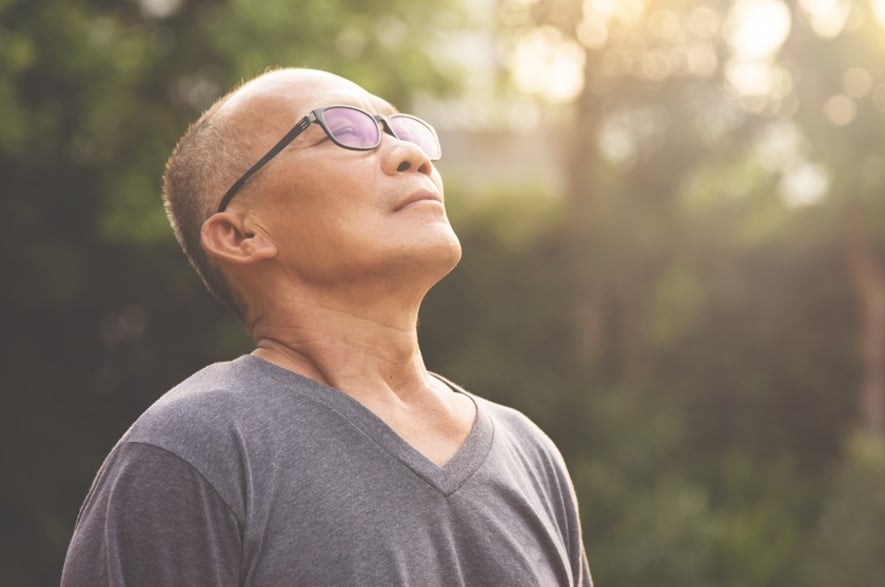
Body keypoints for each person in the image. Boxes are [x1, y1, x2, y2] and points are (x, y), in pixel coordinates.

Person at [61, 67, 592, 586]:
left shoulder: (529, 453)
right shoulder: (192, 452)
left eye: (401, 130)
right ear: (242, 235)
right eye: (344, 130)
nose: (411, 155)